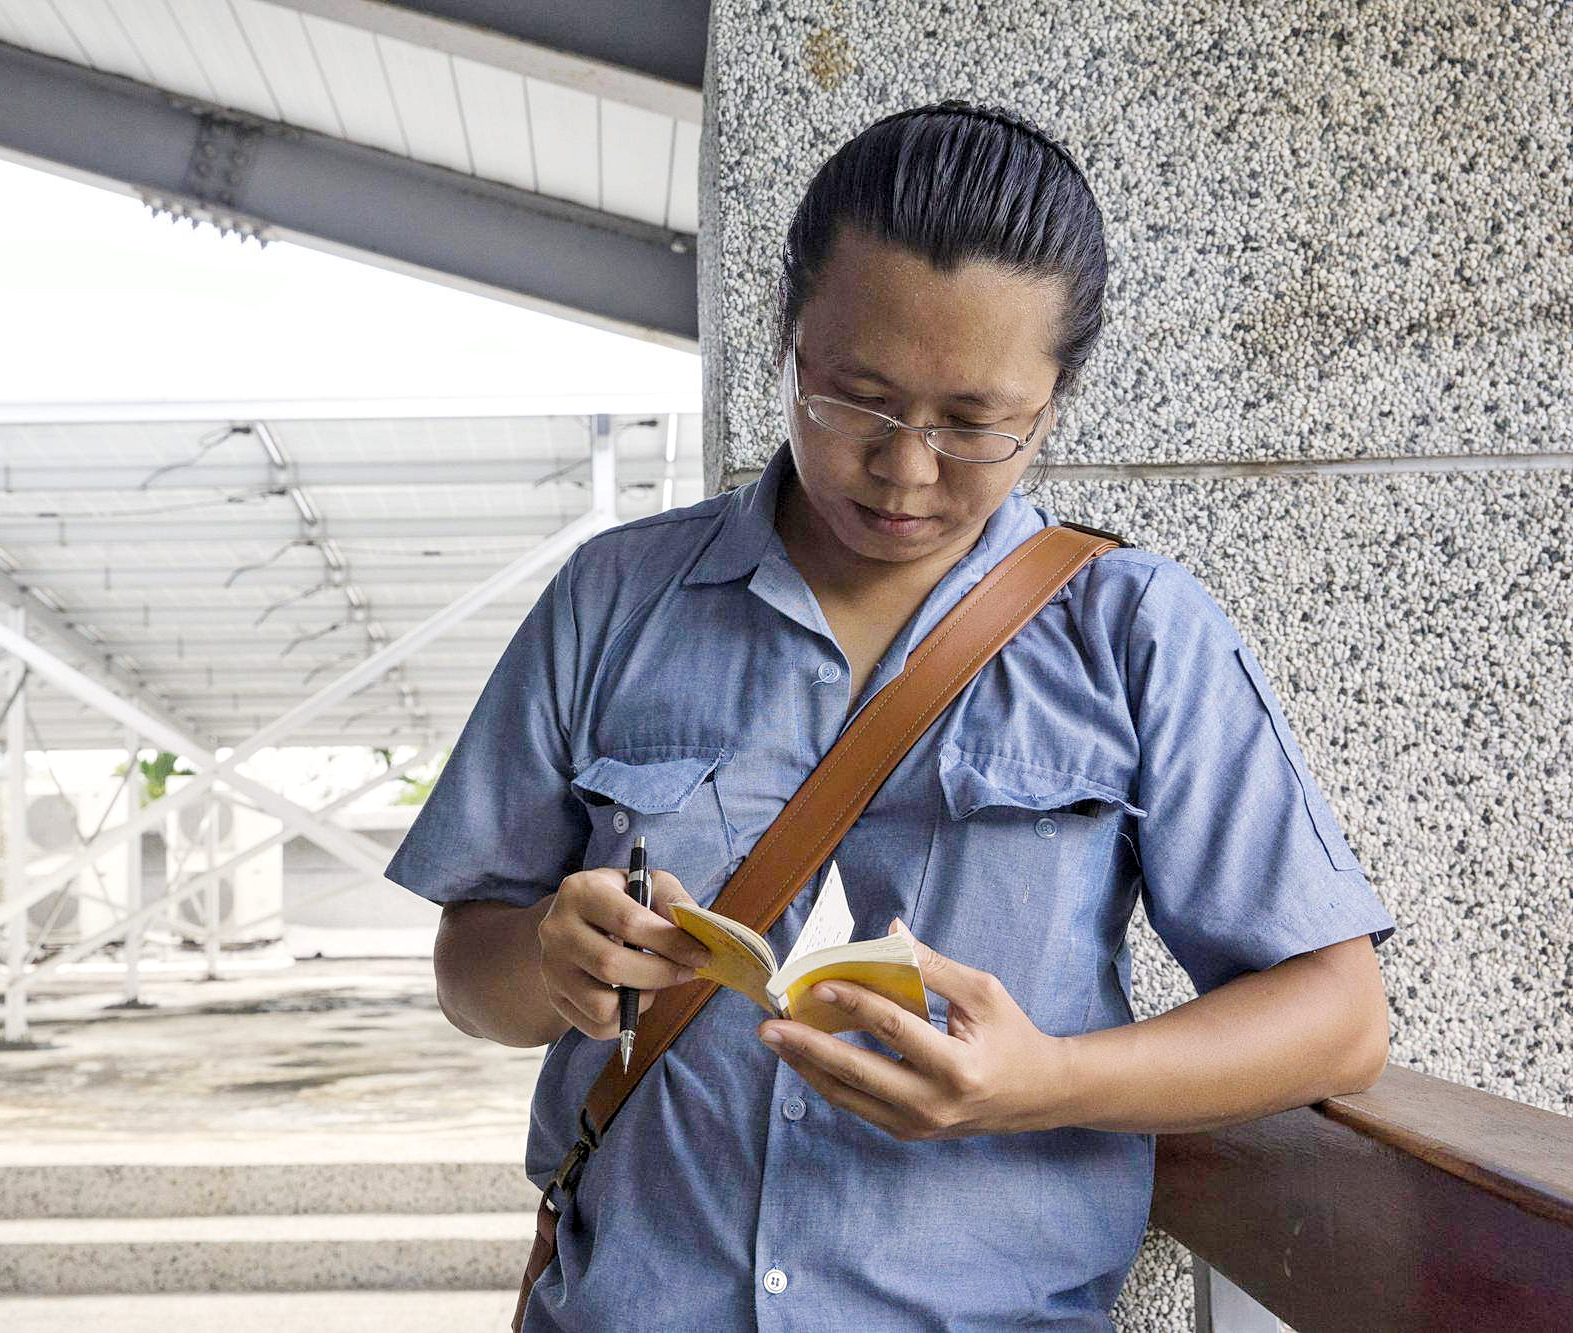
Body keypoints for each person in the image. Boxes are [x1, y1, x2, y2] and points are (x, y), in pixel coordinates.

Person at [384, 99, 1396, 1331]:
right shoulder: (614, 597)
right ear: (788, 339)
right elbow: (468, 975)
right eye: (856, 400)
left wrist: (1046, 1080)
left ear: (1054, 400)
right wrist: (550, 959)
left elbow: (1337, 1015)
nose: (905, 470)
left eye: (974, 425)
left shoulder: (1135, 631)